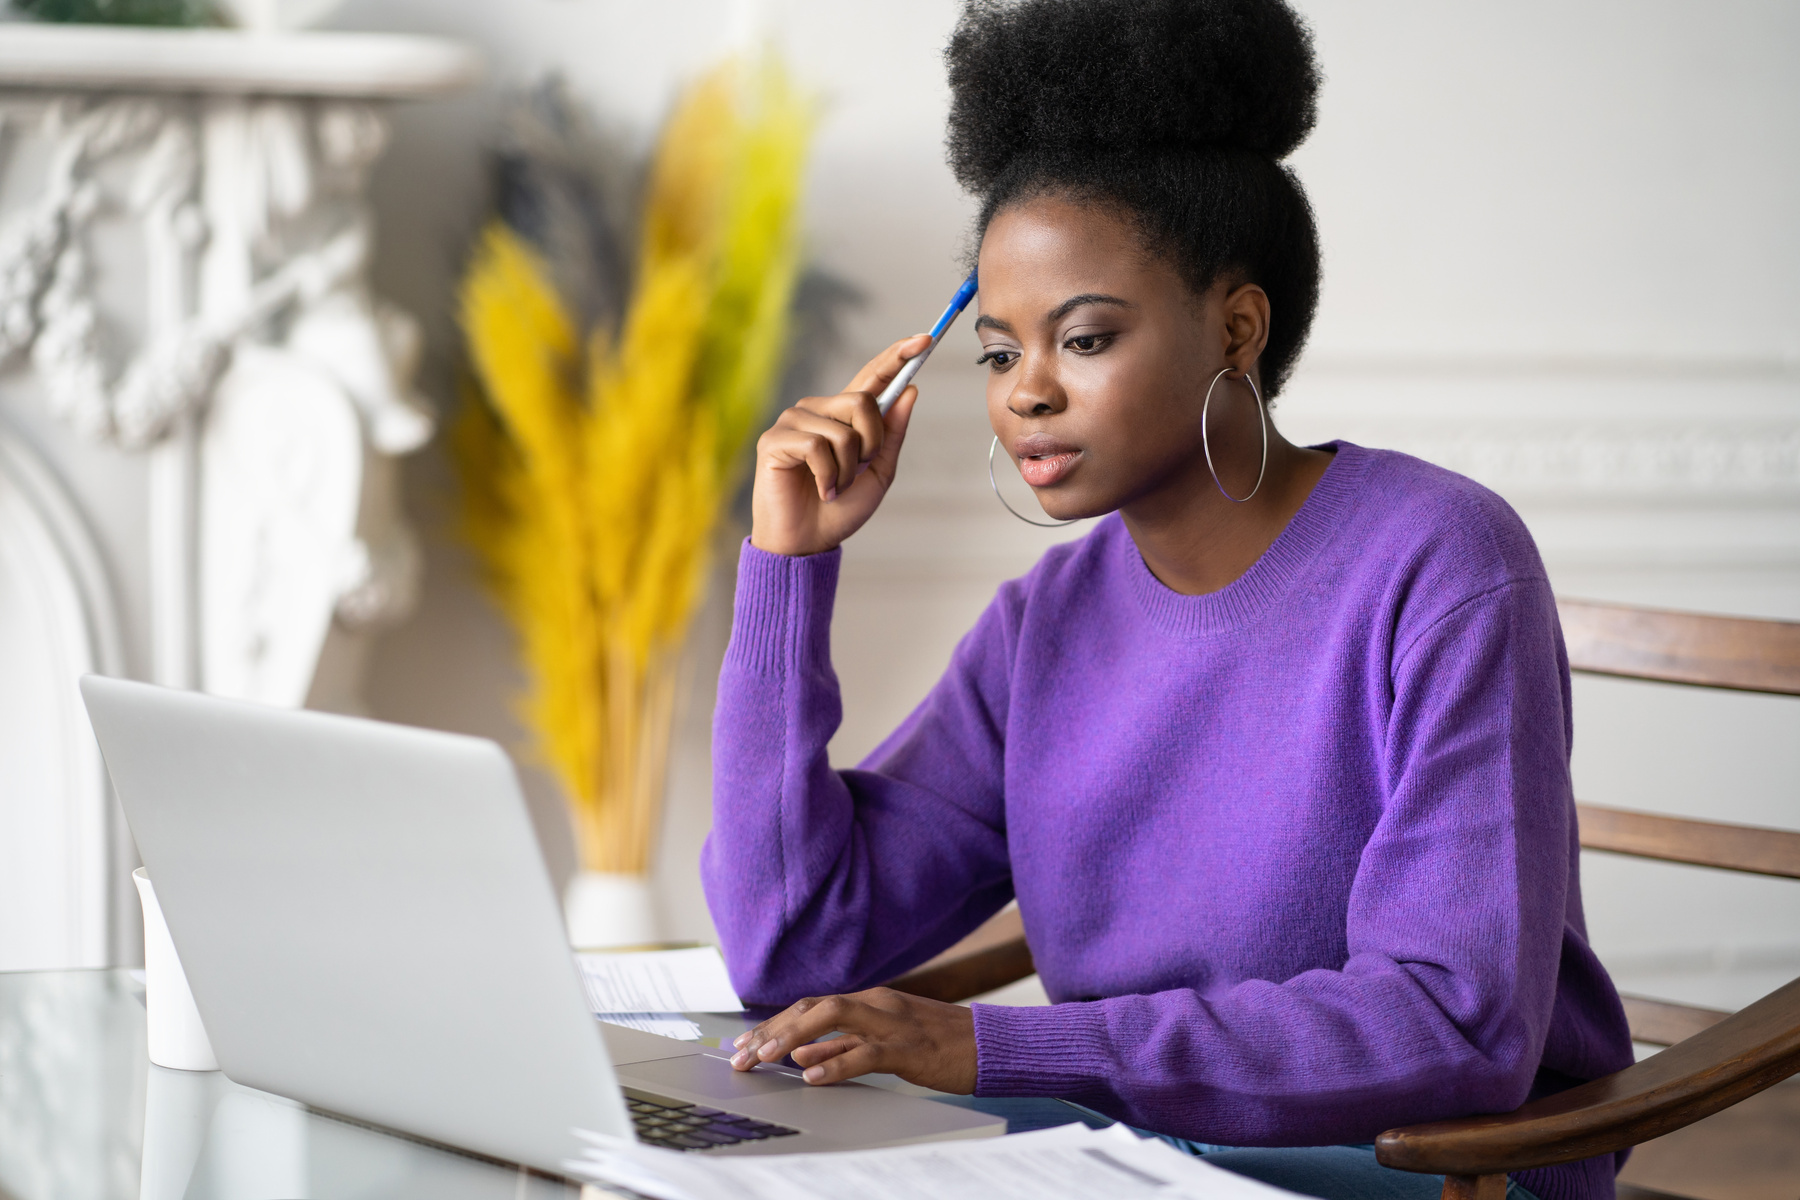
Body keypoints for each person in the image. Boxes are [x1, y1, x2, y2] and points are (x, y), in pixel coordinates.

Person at [701, 2, 1635, 1197]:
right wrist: (787, 568)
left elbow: (1452, 1024)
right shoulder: (1048, 623)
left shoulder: (1441, 562)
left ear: (1237, 328)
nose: (1026, 393)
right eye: (997, 352)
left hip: (1420, 1168)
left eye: (1082, 339)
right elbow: (792, 943)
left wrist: (993, 1047)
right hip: (1129, 1161)